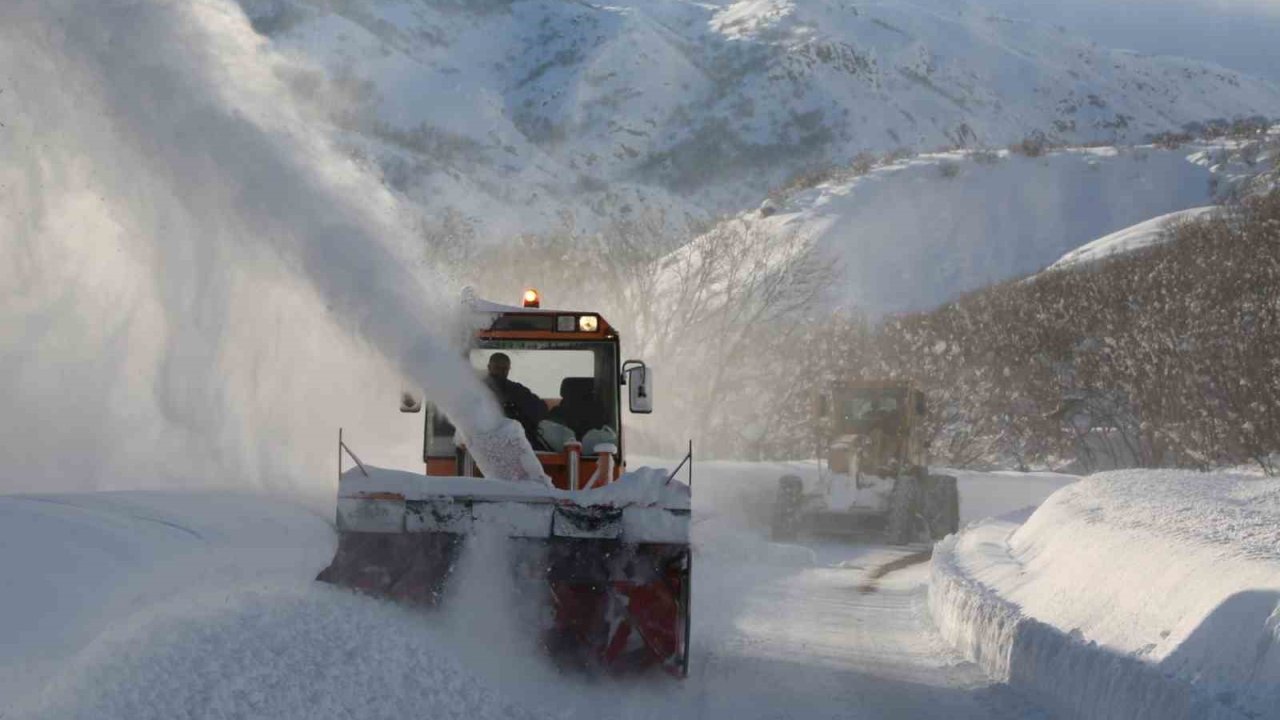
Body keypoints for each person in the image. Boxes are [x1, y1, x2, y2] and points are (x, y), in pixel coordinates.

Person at [483, 352, 547, 443]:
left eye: (504, 369)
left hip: (515, 441)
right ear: (489, 367)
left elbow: (540, 409)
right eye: (497, 368)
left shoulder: (517, 390)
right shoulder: (476, 388)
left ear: (509, 369)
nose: (501, 372)